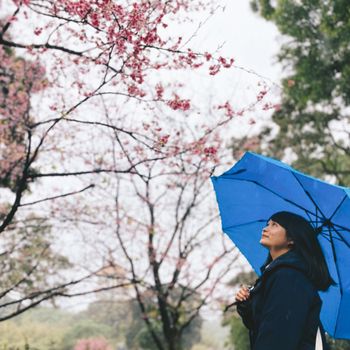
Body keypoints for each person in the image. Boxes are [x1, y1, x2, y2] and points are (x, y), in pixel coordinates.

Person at [235, 211, 334, 350]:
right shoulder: (278, 273)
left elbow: (278, 337)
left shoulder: (289, 277)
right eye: (267, 224)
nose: (265, 228)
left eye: (274, 225)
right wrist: (247, 304)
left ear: (291, 239)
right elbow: (264, 326)